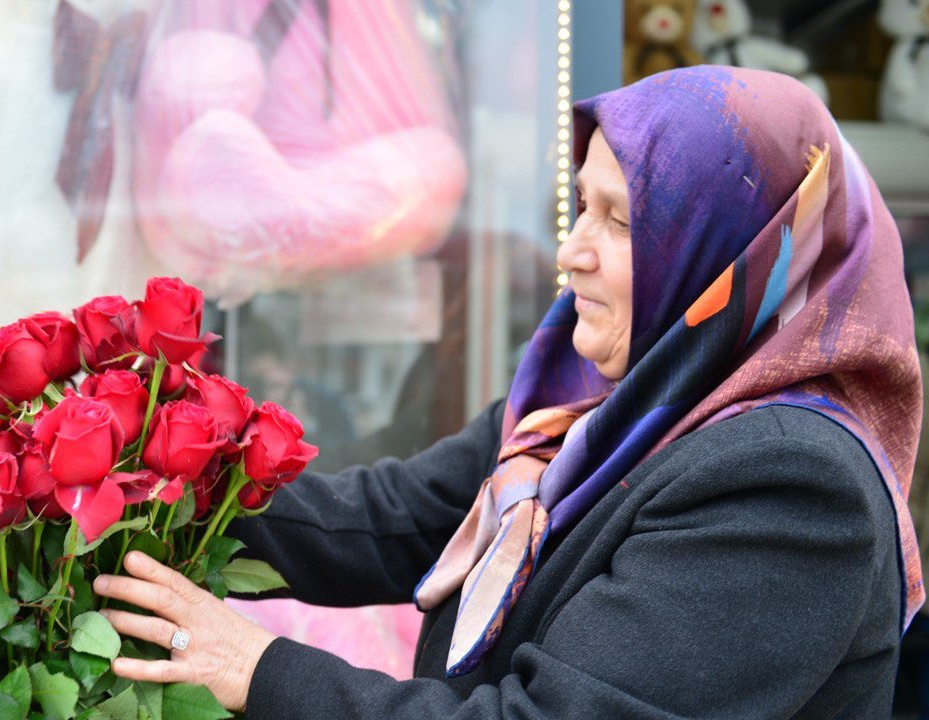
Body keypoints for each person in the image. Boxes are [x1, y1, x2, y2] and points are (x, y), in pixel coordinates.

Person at [91, 65, 924, 718]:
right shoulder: (592, 412)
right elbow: (387, 521)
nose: (571, 252)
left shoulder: (790, 486)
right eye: (581, 207)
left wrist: (259, 669)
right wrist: (147, 480)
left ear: (734, 252)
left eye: (620, 221)